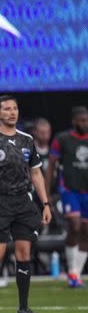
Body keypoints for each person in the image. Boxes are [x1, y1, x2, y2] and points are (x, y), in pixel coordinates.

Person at [0, 95, 53, 313]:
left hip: (24, 201)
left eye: (14, 108)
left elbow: (36, 173)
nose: (12, 112)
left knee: (24, 253)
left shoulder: (27, 140)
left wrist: (45, 203)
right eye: (6, 109)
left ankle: (23, 307)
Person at [49, 106, 88, 288]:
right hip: (69, 189)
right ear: (74, 121)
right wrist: (48, 191)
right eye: (81, 120)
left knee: (86, 230)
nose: (85, 123)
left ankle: (75, 274)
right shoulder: (62, 139)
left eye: (86, 120)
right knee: (75, 225)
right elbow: (51, 165)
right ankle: (71, 269)